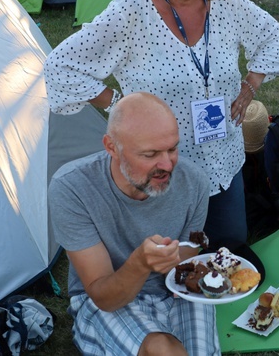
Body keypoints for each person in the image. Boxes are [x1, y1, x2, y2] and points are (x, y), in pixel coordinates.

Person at [44, 0, 279, 251]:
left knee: (231, 255)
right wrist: (118, 104)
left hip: (223, 159)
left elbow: (270, 35)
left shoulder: (228, 2)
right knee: (173, 266)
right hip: (164, 168)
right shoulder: (131, 12)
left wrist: (250, 86)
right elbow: (61, 65)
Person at [49, 92, 219, 355]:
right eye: (150, 154)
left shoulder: (194, 182)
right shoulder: (72, 188)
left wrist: (184, 266)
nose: (167, 165)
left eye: (172, 149)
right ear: (111, 147)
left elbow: (186, 259)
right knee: (162, 349)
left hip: (173, 290)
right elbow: (103, 296)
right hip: (109, 296)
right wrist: (140, 263)